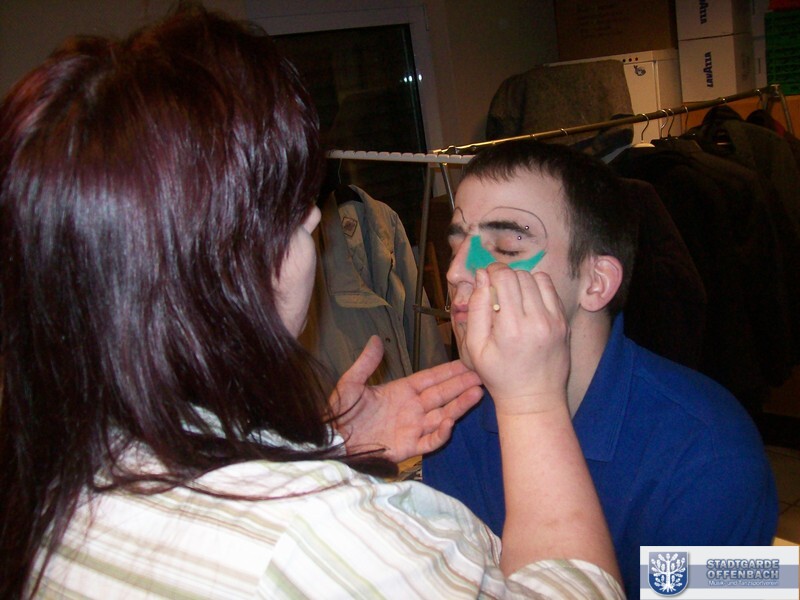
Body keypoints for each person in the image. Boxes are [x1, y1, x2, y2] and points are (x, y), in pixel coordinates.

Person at [0, 6, 623, 599]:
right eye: (298, 216)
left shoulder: (60, 460)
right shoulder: (313, 536)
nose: (460, 272)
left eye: (506, 247)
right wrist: (533, 403)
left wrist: (326, 443)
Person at [423, 139, 779, 598]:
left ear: (596, 282)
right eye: (457, 242)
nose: (455, 272)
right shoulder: (453, 421)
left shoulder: (716, 455)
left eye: (507, 246)